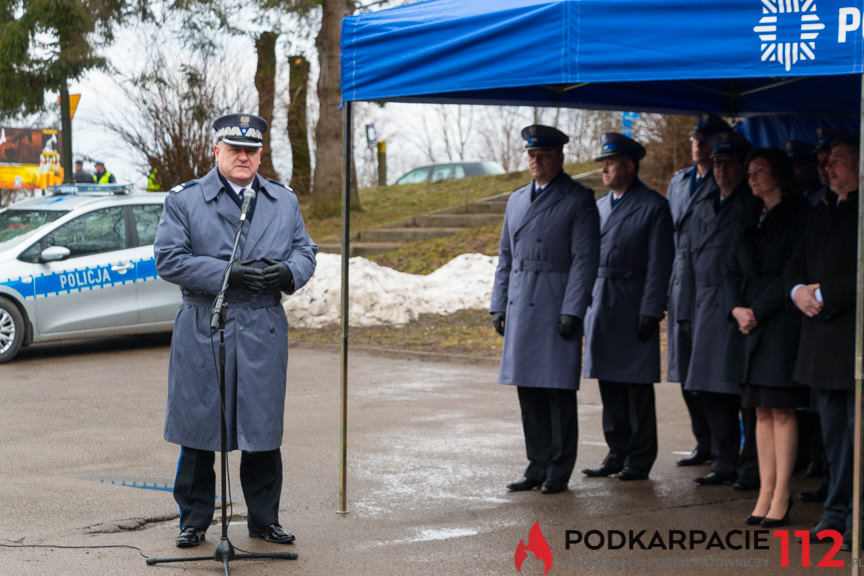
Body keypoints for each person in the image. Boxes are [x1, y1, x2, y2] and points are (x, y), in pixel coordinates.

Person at [153, 113, 318, 548]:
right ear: (217, 151)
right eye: (235, 150)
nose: (243, 157)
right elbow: (169, 259)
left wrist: (286, 272)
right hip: (206, 322)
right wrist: (230, 272)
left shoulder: (282, 200)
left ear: (261, 154)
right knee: (199, 429)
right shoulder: (185, 201)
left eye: (251, 151)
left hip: (262, 325)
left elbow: (306, 250)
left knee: (261, 431)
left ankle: (264, 519)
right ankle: (194, 520)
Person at [490, 124, 600, 495]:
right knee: (529, 393)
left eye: (543, 155)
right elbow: (505, 256)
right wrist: (498, 304)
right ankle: (535, 464)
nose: (535, 161)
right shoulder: (517, 199)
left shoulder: (577, 198)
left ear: (559, 158)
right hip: (522, 302)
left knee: (557, 393)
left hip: (555, 304)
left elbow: (585, 260)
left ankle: (559, 468)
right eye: (532, 155)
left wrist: (574, 309)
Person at [581, 132, 674, 482]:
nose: (604, 168)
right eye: (603, 163)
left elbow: (659, 263)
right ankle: (616, 451)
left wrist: (651, 310)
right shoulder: (600, 206)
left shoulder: (653, 206)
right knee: (609, 385)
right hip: (603, 303)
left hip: (633, 303)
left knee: (636, 388)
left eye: (611, 162)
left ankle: (640, 457)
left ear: (630, 166)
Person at [725, 147, 808, 528]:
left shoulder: (797, 215)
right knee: (758, 409)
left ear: (778, 174)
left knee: (782, 409)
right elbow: (728, 269)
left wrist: (757, 310)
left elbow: (792, 271)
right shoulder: (747, 214)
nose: (753, 177)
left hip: (779, 322)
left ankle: (781, 493)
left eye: (760, 170)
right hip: (748, 323)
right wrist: (736, 308)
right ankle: (764, 490)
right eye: (750, 170)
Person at [786, 134, 859, 549]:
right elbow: (796, 260)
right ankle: (834, 514)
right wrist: (798, 290)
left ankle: (855, 519)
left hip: (853, 341)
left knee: (855, 438)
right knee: (833, 439)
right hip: (822, 344)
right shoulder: (823, 210)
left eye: (838, 161)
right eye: (826, 162)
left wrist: (826, 293)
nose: (828, 168)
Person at [684, 131, 754, 487]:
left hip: (737, 305)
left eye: (727, 163)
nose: (721, 170)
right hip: (705, 304)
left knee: (740, 391)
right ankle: (723, 459)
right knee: (710, 390)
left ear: (743, 166)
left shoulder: (750, 204)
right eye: (716, 163)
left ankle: (750, 464)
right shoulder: (704, 200)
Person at [666, 113, 732, 467]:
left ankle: (724, 449)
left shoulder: (722, 185)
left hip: (708, 285)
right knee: (686, 373)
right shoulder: (679, 182)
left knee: (710, 374)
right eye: (695, 138)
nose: (697, 144)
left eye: (705, 139)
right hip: (681, 285)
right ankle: (702, 441)